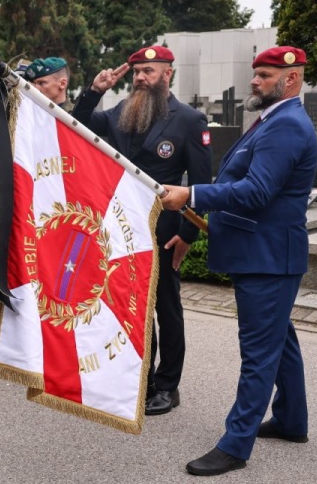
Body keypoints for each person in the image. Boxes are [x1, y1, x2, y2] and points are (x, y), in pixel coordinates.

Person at [161, 46, 316, 476]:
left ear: (291, 80)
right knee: (279, 340)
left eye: (265, 75)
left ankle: (235, 445)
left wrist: (191, 194)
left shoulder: (286, 126)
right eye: (256, 74)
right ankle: (291, 420)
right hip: (264, 253)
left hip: (267, 258)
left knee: (258, 354)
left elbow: (256, 192)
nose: (255, 81)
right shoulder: (272, 120)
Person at [72, 46, 212, 414]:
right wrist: (95, 91)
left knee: (166, 308)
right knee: (129, 307)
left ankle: (167, 385)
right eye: (136, 72)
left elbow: (200, 183)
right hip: (120, 229)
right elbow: (76, 125)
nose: (139, 78)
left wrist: (188, 234)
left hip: (163, 231)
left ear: (168, 74)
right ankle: (140, 377)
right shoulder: (121, 112)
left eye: (148, 71)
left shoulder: (189, 120)